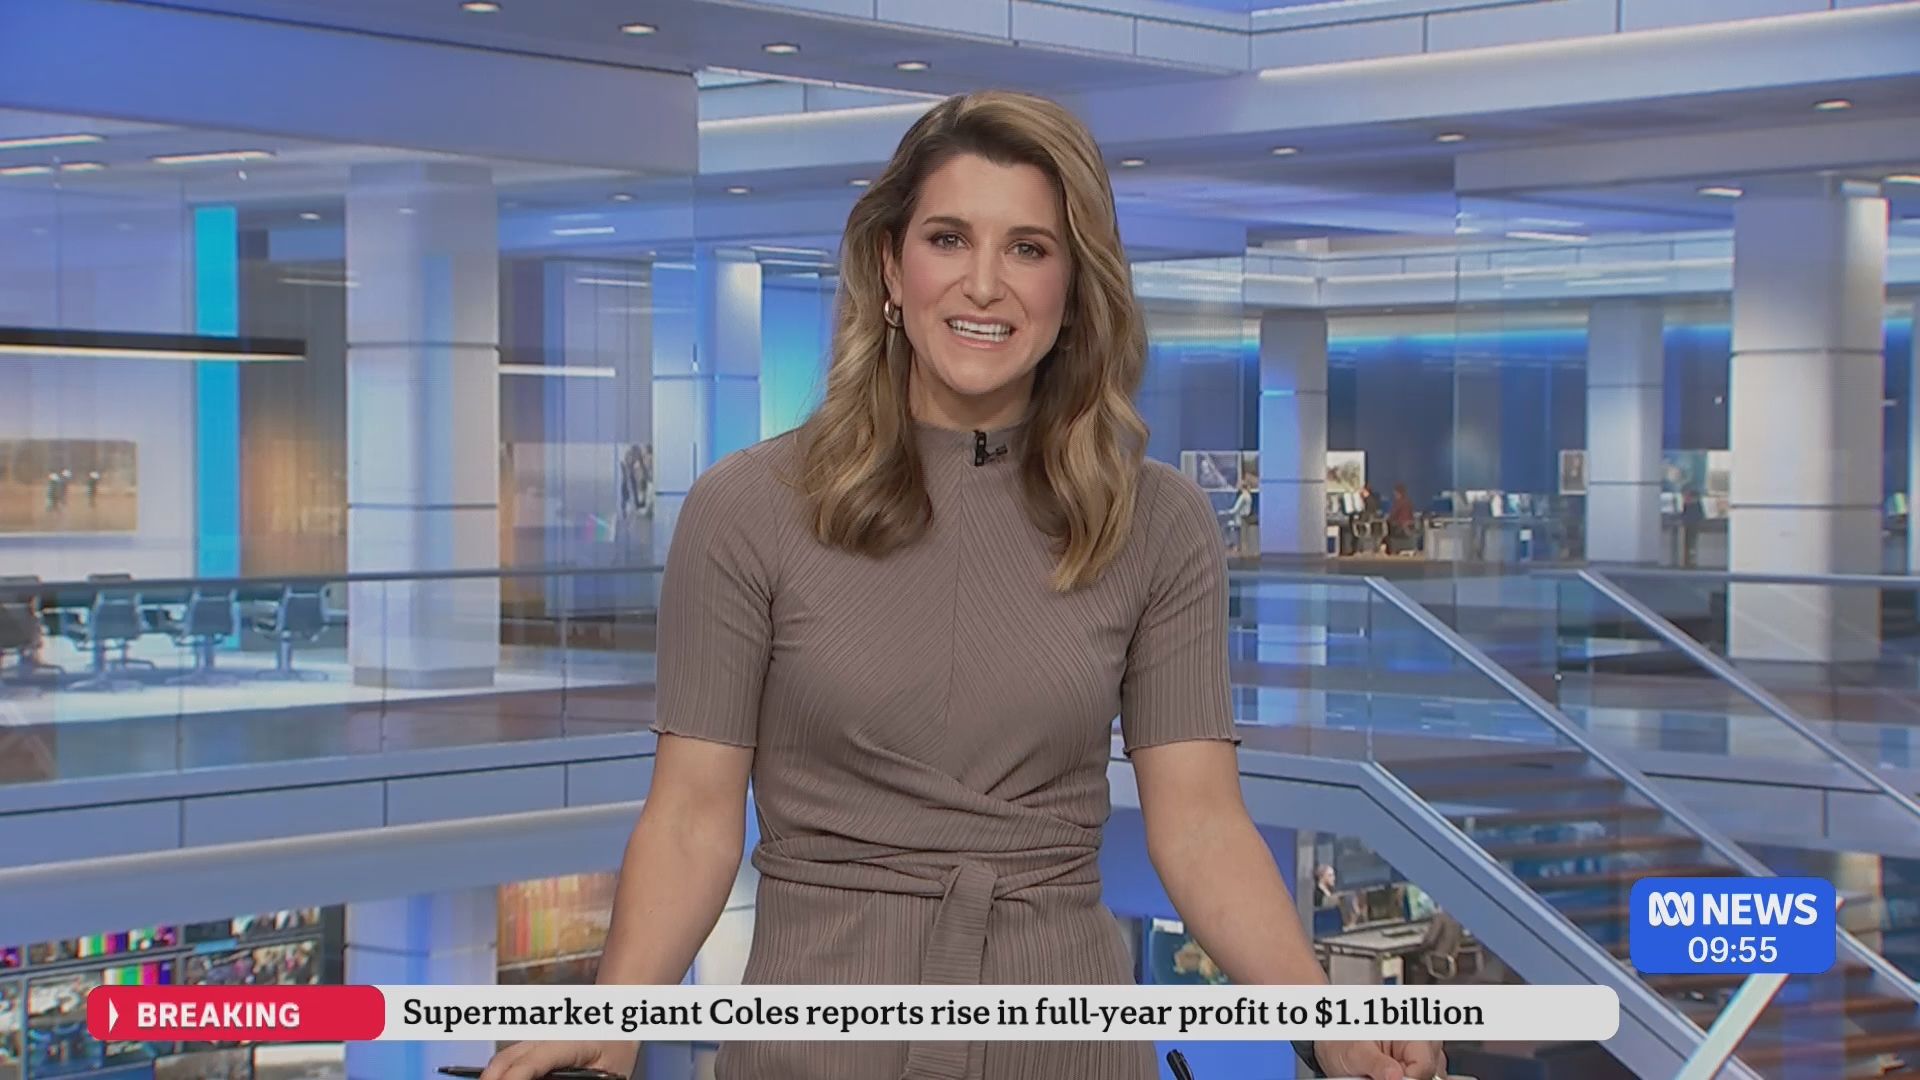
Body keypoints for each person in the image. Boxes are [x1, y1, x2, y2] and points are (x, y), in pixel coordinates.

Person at [480, 91, 1443, 1080]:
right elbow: (691, 819)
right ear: (891, 267)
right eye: (949, 239)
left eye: (1029, 248)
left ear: (1074, 287)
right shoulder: (749, 508)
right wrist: (616, 1016)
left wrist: (1324, 1017)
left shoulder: (1155, 521)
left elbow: (1201, 826)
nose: (985, 284)